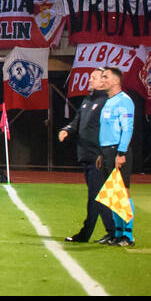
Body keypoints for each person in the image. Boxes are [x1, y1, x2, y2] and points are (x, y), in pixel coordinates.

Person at [58, 68, 106, 243]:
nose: (89, 80)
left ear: (104, 81)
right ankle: (115, 233)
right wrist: (66, 130)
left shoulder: (106, 102)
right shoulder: (88, 100)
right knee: (100, 196)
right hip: (85, 154)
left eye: (94, 78)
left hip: (98, 157)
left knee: (96, 196)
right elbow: (77, 122)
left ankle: (86, 234)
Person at [96, 66, 136, 247]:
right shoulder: (109, 101)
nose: (102, 80)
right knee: (113, 194)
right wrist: (100, 153)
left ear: (116, 81)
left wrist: (121, 153)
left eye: (105, 77)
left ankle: (128, 236)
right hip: (106, 151)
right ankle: (117, 234)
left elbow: (127, 129)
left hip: (117, 152)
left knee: (123, 193)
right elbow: (107, 130)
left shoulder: (124, 101)